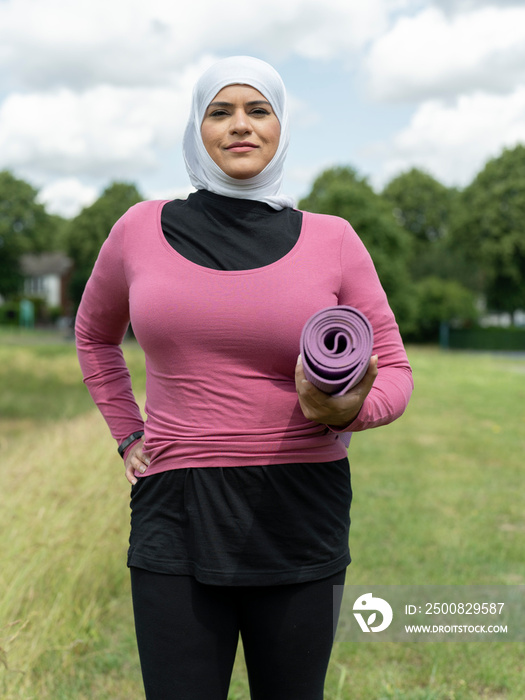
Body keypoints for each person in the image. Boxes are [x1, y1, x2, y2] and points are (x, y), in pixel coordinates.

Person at [75, 55, 413, 700]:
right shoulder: (137, 231)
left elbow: (394, 370)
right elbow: (94, 335)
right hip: (175, 510)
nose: (240, 126)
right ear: (195, 127)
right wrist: (127, 431)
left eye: (258, 111)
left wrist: (347, 412)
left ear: (281, 126)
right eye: (219, 111)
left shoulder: (333, 239)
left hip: (300, 506)